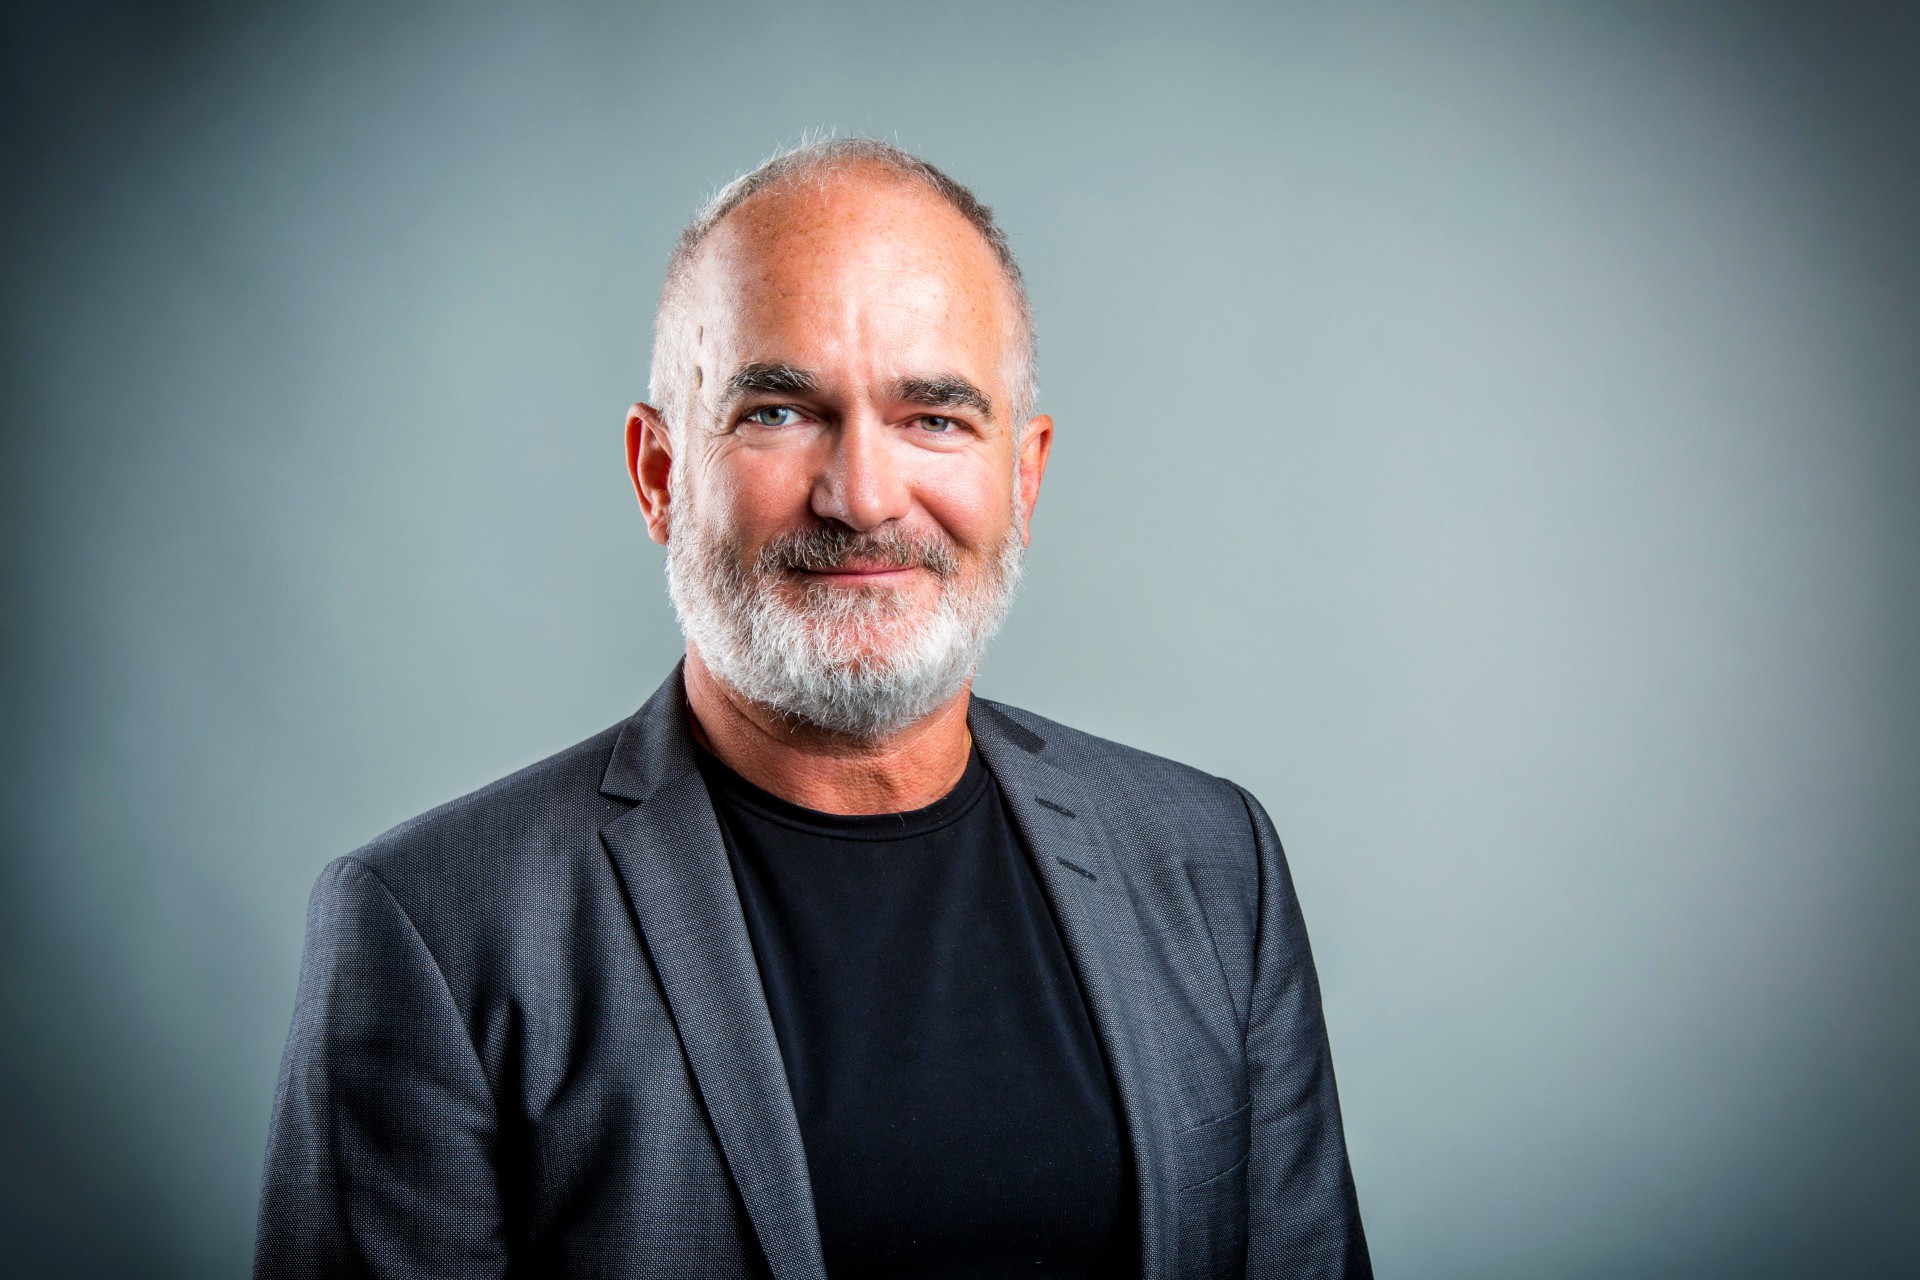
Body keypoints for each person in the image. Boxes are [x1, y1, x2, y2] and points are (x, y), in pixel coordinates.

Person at [254, 138, 1371, 1280]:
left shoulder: (1210, 864)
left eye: (936, 418)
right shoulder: (439, 929)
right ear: (658, 473)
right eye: (781, 410)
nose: (865, 496)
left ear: (1023, 478)